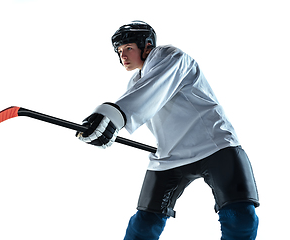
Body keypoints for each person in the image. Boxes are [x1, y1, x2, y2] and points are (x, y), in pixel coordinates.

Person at [77, 20, 260, 240]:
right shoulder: (135, 83)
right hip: (169, 156)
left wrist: (112, 117)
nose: (122, 56)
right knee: (144, 224)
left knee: (239, 218)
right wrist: (108, 129)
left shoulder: (171, 57)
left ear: (147, 46)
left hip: (215, 145)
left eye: (128, 48)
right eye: (119, 51)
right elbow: (138, 106)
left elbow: (147, 94)